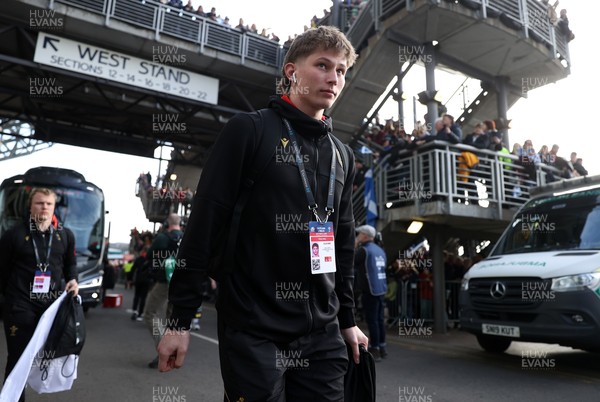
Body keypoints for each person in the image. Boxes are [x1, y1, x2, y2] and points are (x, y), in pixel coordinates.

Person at [157, 26, 368, 401]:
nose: (334, 78)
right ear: (291, 72)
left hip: (322, 334)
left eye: (341, 70)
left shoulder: (342, 155)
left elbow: (343, 246)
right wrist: (179, 321)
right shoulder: (249, 131)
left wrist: (347, 321)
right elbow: (204, 224)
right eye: (322, 65)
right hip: (254, 328)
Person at [0, 187, 79, 402]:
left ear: (54, 207)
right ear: (30, 206)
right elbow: (2, 271)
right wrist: (10, 300)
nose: (44, 207)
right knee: (18, 358)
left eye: (48, 204)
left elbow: (70, 264)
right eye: (39, 203)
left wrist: (73, 280)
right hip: (20, 305)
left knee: (46, 357)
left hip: (50, 307)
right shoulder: (13, 235)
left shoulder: (64, 235)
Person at [144, 213, 183, 369]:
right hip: (181, 283)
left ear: (167, 223)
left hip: (164, 281)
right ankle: (174, 352)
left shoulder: (163, 238)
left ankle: (164, 348)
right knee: (171, 318)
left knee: (150, 313)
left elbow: (149, 255)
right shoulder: (186, 237)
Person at [354, 225, 387, 361]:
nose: (358, 236)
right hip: (381, 288)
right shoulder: (380, 250)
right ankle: (382, 347)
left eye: (360, 234)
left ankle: (375, 349)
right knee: (379, 319)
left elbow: (351, 262)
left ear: (366, 236)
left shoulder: (363, 250)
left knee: (372, 320)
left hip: (370, 289)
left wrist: (355, 243)